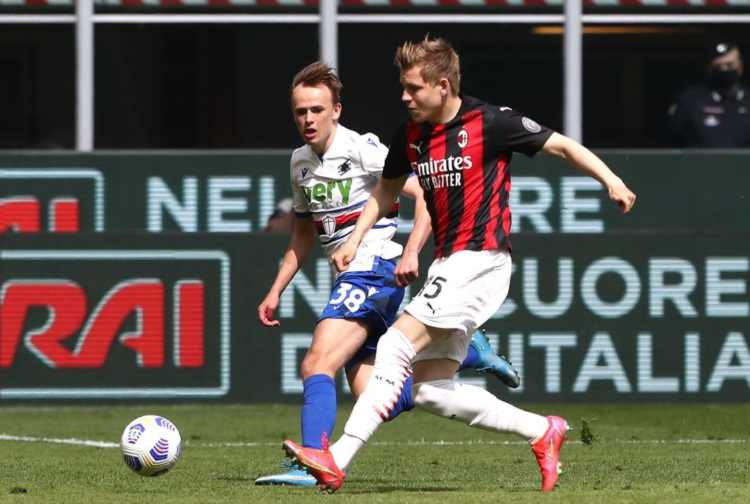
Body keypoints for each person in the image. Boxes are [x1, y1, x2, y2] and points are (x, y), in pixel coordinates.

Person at [283, 37, 637, 493]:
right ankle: (541, 430)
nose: (404, 97)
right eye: (403, 87)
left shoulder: (491, 121)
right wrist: (354, 238)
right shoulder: (410, 135)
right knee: (428, 389)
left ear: (443, 86)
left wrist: (612, 180)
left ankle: (336, 459)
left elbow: (564, 146)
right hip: (449, 264)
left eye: (414, 88)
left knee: (394, 347)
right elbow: (386, 191)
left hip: (482, 260)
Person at [255, 61, 521, 487]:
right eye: (300, 111)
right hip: (351, 275)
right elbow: (303, 234)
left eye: (317, 110)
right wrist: (275, 291)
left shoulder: (362, 148)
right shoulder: (299, 163)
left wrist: (411, 249)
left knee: (317, 362)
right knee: (376, 393)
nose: (308, 119)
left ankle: (313, 462)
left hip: (374, 268)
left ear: (336, 111)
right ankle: (472, 353)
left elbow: (425, 194)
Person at [667, 40, 750, 148]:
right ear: (709, 68)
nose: (724, 70)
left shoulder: (747, 100)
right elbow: (671, 138)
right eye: (718, 67)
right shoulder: (690, 101)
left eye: (729, 65)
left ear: (740, 66)